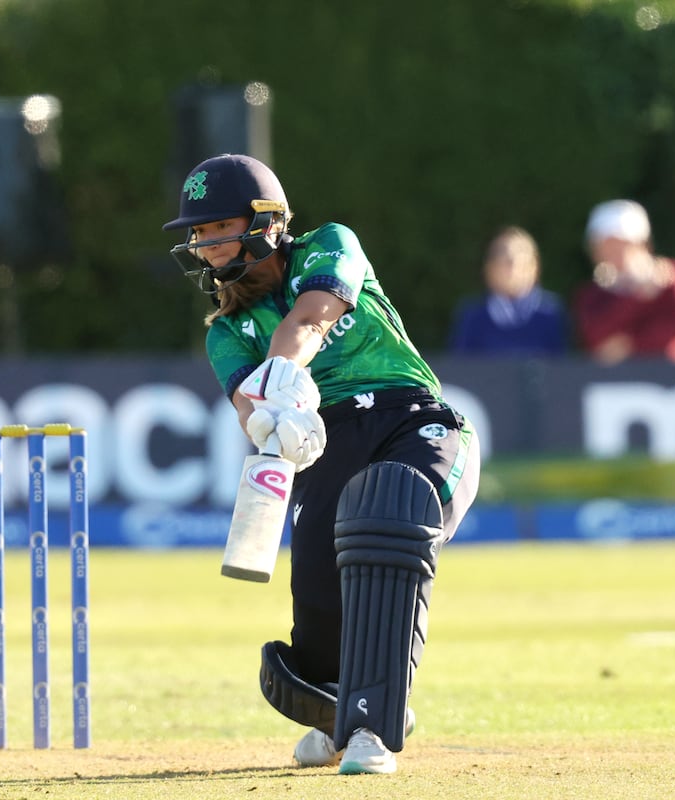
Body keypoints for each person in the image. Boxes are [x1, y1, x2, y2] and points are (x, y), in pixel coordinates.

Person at [163, 154, 481, 775]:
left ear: (265, 223)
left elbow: (311, 317)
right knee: (317, 609)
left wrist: (282, 378)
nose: (206, 246)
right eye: (198, 235)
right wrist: (268, 422)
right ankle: (344, 712)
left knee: (390, 520)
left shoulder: (329, 245)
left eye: (218, 227)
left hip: (413, 421)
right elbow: (247, 404)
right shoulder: (226, 330)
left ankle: (372, 727)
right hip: (326, 443)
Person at [573, 199, 675, 365]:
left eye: (620, 243)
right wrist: (638, 298)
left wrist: (631, 343)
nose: (612, 251)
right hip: (620, 385)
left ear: (642, 243)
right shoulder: (591, 294)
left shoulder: (674, 274)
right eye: (604, 245)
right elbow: (594, 337)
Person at [448, 226, 569, 355]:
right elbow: (459, 367)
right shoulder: (472, 316)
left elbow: (564, 365)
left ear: (536, 267)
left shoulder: (552, 313)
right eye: (503, 260)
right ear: (488, 269)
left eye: (521, 260)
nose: (513, 268)